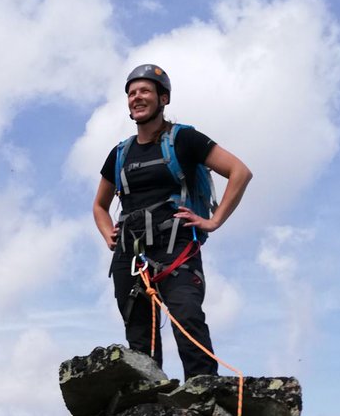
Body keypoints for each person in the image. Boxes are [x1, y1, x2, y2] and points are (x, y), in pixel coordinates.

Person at [93, 64, 252, 377]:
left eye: (145, 91)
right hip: (131, 254)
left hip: (176, 246)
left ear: (163, 98)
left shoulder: (184, 140)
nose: (137, 97)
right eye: (131, 93)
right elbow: (100, 205)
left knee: (187, 318)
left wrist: (214, 221)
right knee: (140, 336)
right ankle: (148, 399)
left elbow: (239, 172)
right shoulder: (120, 153)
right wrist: (107, 232)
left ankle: (204, 390)